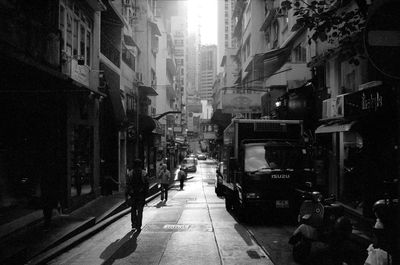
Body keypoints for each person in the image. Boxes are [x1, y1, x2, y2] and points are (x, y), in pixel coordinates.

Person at [125, 159, 149, 232]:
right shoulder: (144, 173)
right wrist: (145, 194)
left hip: (133, 195)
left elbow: (128, 184)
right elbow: (147, 184)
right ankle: (139, 226)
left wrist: (127, 195)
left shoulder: (130, 173)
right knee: (140, 211)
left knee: (133, 210)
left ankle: (133, 225)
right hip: (141, 195)